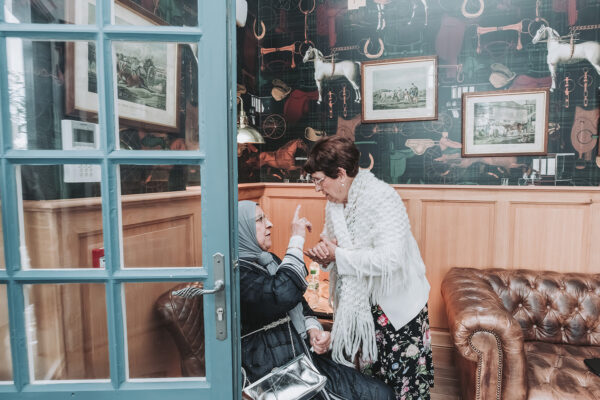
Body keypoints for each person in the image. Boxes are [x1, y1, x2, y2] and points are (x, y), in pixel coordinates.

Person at [303, 136, 434, 399]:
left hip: (396, 307)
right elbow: (334, 242)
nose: (317, 188)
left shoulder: (382, 198)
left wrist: (338, 254)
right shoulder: (334, 204)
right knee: (369, 385)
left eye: (319, 180)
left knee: (403, 386)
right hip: (361, 310)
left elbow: (390, 259)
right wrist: (325, 253)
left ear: (340, 174)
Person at [238, 200, 394, 400]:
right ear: (241, 230)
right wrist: (296, 239)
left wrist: (314, 330)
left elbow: (298, 303)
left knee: (382, 393)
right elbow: (282, 293)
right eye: (260, 219)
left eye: (266, 217)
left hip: (305, 359)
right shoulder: (239, 275)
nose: (270, 224)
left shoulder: (270, 260)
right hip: (277, 373)